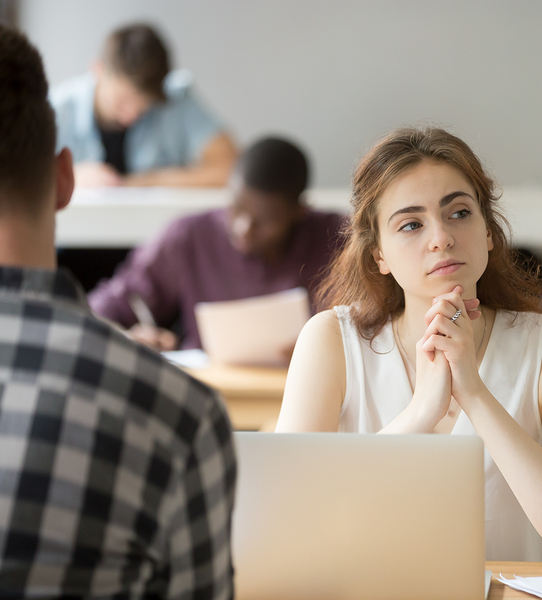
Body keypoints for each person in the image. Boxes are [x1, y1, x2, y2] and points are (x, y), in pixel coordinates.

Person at [276, 127, 542, 567]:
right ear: (379, 254)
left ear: (489, 231)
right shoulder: (331, 341)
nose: (441, 238)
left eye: (459, 213)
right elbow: (286, 526)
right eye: (411, 224)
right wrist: (420, 415)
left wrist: (474, 393)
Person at [0, 24, 235, 598]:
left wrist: (136, 179)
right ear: (64, 178)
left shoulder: (178, 100)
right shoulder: (180, 416)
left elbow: (226, 162)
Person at [88, 137, 346, 351]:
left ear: (299, 212)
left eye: (264, 221)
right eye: (236, 208)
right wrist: (127, 335)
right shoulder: (189, 236)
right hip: (209, 389)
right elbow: (107, 304)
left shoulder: (338, 241)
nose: (243, 228)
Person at [50, 23, 237, 187]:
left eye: (144, 105)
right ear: (98, 69)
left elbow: (231, 168)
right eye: (122, 100)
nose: (131, 115)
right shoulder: (56, 109)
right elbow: (22, 176)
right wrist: (69, 175)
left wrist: (149, 181)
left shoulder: (174, 97)